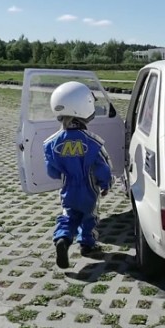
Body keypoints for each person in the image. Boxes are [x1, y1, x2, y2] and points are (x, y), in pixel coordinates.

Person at [43, 81, 112, 269]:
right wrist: (106, 184)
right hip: (88, 190)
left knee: (68, 216)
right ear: (83, 107)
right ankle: (87, 245)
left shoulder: (50, 143)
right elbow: (103, 168)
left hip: (67, 189)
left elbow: (52, 171)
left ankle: (63, 239)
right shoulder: (93, 142)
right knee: (89, 217)